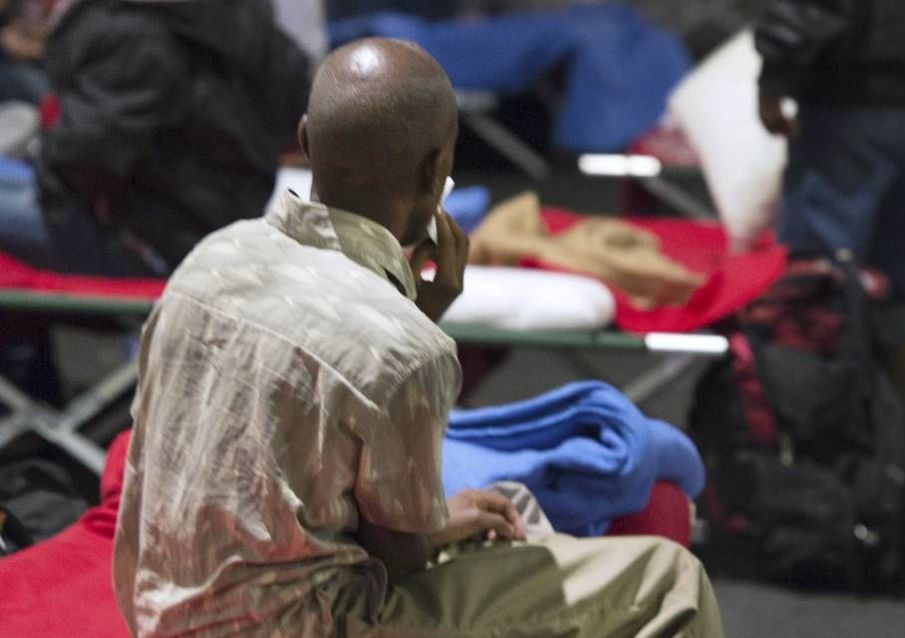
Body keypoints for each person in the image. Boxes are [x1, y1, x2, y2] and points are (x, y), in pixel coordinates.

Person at [112, 38, 724, 638]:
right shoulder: (403, 346)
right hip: (302, 624)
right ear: (438, 170)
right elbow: (398, 555)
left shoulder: (209, 260)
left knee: (499, 511)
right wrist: (417, 323)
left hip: (158, 610)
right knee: (667, 576)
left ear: (304, 141)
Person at [755, 0, 905, 423]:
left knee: (818, 279)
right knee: (902, 272)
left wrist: (775, 74)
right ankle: (892, 455)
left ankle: (818, 454)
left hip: (855, 88)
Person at [31, 0, 310, 276]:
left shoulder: (139, 33)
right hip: (223, 228)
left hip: (147, 240)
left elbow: (78, 161)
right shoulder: (248, 20)